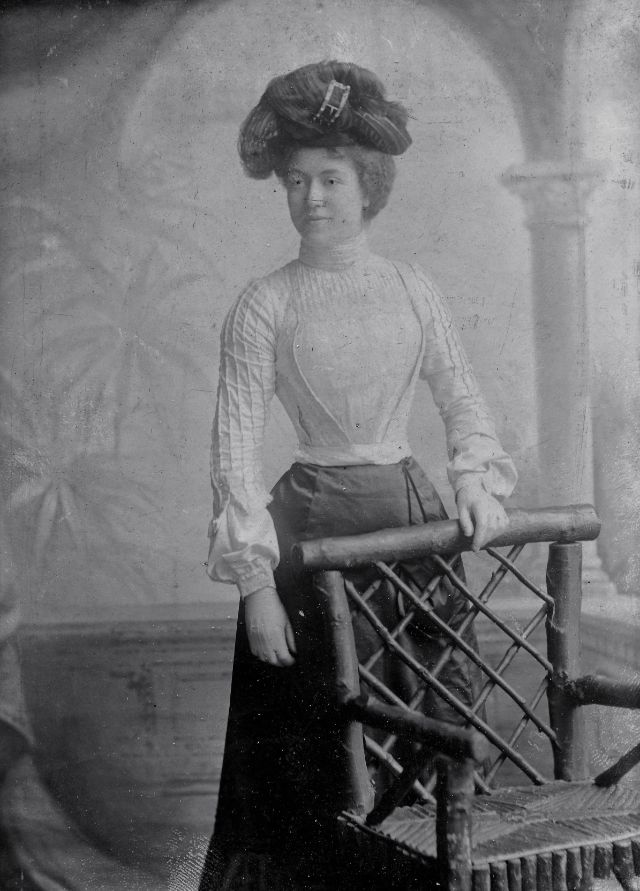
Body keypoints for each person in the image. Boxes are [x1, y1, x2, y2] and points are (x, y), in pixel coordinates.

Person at [199, 61, 517, 889]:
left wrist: (475, 479)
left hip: (412, 531)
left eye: (331, 179)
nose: (313, 198)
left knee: (432, 720)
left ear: (368, 183)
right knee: (317, 746)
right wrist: (255, 586)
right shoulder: (264, 304)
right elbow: (234, 449)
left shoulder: (412, 287)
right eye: (297, 181)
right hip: (309, 540)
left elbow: (461, 396)